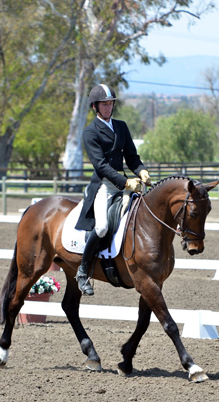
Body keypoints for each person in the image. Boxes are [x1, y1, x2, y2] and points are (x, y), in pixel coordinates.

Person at [75, 83, 151, 295]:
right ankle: (83, 271)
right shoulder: (90, 132)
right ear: (95, 107)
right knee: (101, 227)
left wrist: (141, 171)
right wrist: (126, 182)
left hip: (126, 182)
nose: (108, 108)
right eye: (104, 104)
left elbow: (132, 157)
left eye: (110, 104)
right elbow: (101, 165)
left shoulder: (121, 126)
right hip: (104, 186)